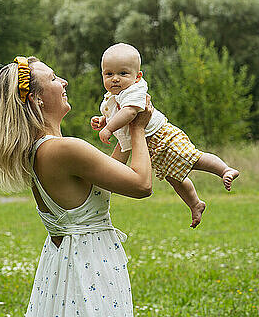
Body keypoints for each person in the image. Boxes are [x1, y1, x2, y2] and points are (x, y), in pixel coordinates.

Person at [0, 56, 153, 317]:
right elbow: (142, 184)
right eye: (52, 78)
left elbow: (106, 176)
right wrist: (140, 128)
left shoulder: (40, 149)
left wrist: (125, 129)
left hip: (66, 261)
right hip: (88, 265)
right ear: (37, 99)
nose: (64, 82)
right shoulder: (64, 149)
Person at [91, 43, 240, 228]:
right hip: (150, 147)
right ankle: (195, 204)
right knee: (174, 177)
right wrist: (103, 121)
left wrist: (109, 129)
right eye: (109, 74)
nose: (115, 79)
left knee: (192, 158)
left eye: (123, 73)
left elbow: (129, 113)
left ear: (137, 76)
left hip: (163, 137)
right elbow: (116, 115)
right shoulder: (112, 96)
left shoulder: (135, 90)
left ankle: (224, 170)